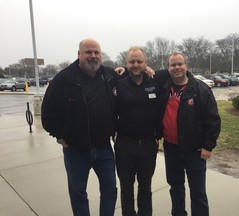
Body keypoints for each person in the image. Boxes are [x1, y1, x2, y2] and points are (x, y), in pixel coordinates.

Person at [41, 38, 119, 216]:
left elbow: (134, 76)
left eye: (96, 52)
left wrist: (146, 69)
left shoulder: (109, 75)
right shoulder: (63, 79)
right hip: (75, 151)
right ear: (79, 54)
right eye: (88, 52)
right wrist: (59, 135)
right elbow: (47, 113)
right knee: (78, 194)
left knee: (110, 190)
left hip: (104, 148)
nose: (93, 56)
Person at [156, 52, 221, 216]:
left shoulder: (200, 89)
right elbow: (141, 72)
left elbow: (212, 120)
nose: (177, 67)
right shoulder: (164, 87)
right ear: (168, 68)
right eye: (173, 65)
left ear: (186, 66)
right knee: (176, 187)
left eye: (180, 64)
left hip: (195, 150)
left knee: (198, 192)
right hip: (171, 148)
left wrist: (208, 146)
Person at [114, 47, 169, 216]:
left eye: (139, 61)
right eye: (132, 62)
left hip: (148, 145)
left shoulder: (155, 81)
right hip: (124, 145)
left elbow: (175, 71)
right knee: (126, 189)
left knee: (145, 188)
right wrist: (119, 73)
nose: (136, 64)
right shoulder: (117, 82)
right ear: (126, 64)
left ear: (146, 63)